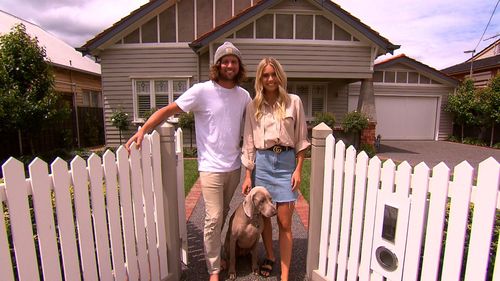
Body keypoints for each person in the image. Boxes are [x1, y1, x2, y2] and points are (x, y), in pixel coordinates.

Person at [125, 42, 251, 281]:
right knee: (213, 217)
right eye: (225, 61)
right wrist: (143, 130)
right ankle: (213, 269)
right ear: (217, 65)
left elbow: (254, 123)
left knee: (221, 215)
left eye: (234, 61)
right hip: (210, 168)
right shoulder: (202, 91)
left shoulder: (243, 96)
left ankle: (216, 253)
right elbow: (168, 110)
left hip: (233, 167)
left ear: (239, 66)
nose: (229, 65)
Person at [241, 57, 310, 280]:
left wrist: (298, 169)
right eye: (266, 75)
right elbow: (249, 142)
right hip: (262, 164)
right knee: (265, 218)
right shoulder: (253, 106)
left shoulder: (294, 102)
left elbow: (301, 139)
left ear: (280, 76)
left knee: (285, 222)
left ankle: (285, 274)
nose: (270, 79)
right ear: (260, 79)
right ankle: (270, 256)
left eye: (274, 74)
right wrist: (248, 174)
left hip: (286, 164)